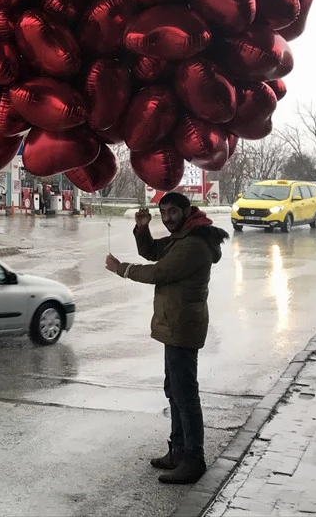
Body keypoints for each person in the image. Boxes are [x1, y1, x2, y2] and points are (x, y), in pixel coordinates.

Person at [104, 191, 228, 485]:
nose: (168, 218)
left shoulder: (194, 244)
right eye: (164, 213)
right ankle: (178, 451)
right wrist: (142, 227)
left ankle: (193, 459)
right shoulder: (183, 238)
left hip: (183, 326)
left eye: (173, 212)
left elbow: (159, 271)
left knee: (185, 395)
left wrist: (121, 269)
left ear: (187, 211)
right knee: (174, 390)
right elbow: (152, 252)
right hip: (174, 324)